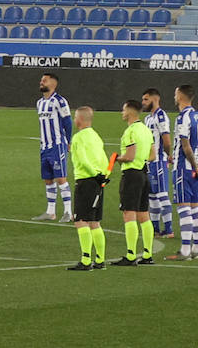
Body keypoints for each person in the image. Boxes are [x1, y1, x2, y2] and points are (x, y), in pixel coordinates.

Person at [111, 100, 155, 266]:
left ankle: (130, 256)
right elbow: (153, 155)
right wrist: (140, 159)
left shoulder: (130, 131)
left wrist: (117, 159)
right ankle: (148, 254)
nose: (122, 113)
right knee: (144, 214)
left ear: (129, 111)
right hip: (144, 174)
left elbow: (129, 156)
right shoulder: (145, 130)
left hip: (131, 175)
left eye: (123, 109)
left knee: (129, 213)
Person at [167, 84, 198, 261]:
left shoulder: (183, 117)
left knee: (184, 208)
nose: (174, 97)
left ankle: (184, 251)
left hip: (183, 168)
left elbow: (185, 145)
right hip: (195, 169)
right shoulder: (197, 116)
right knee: (195, 207)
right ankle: (196, 249)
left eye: (176, 94)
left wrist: (194, 164)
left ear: (181, 97)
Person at [67, 106, 108, 271]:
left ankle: (85, 261)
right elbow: (103, 158)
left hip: (86, 181)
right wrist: (102, 175)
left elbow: (83, 160)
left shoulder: (78, 138)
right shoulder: (96, 136)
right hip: (99, 182)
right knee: (94, 221)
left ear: (79, 120)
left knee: (81, 220)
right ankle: (100, 259)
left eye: (75, 117)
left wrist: (93, 174)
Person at [31, 73, 73, 222]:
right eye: (41, 80)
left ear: (53, 84)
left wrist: (69, 141)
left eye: (45, 80)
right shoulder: (39, 103)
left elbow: (67, 122)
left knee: (61, 178)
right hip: (45, 147)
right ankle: (51, 212)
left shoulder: (60, 101)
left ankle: (68, 211)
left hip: (57, 146)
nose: (41, 82)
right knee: (48, 179)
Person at [140, 88, 175, 238]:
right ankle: (155, 229)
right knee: (152, 196)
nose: (143, 102)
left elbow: (166, 139)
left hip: (159, 161)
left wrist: (169, 155)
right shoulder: (148, 118)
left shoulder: (161, 116)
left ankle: (169, 229)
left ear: (155, 100)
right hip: (149, 162)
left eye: (146, 99)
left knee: (162, 194)